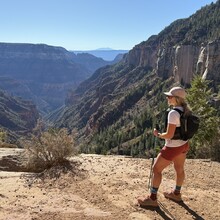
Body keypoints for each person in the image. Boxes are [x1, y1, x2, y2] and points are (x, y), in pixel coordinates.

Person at [137, 86, 190, 207]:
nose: (167, 98)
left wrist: (158, 134)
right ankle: (176, 194)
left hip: (173, 147)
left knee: (156, 169)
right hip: (184, 144)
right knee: (179, 169)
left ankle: (153, 198)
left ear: (176, 99)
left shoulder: (173, 113)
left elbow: (169, 135)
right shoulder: (186, 110)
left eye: (170, 96)